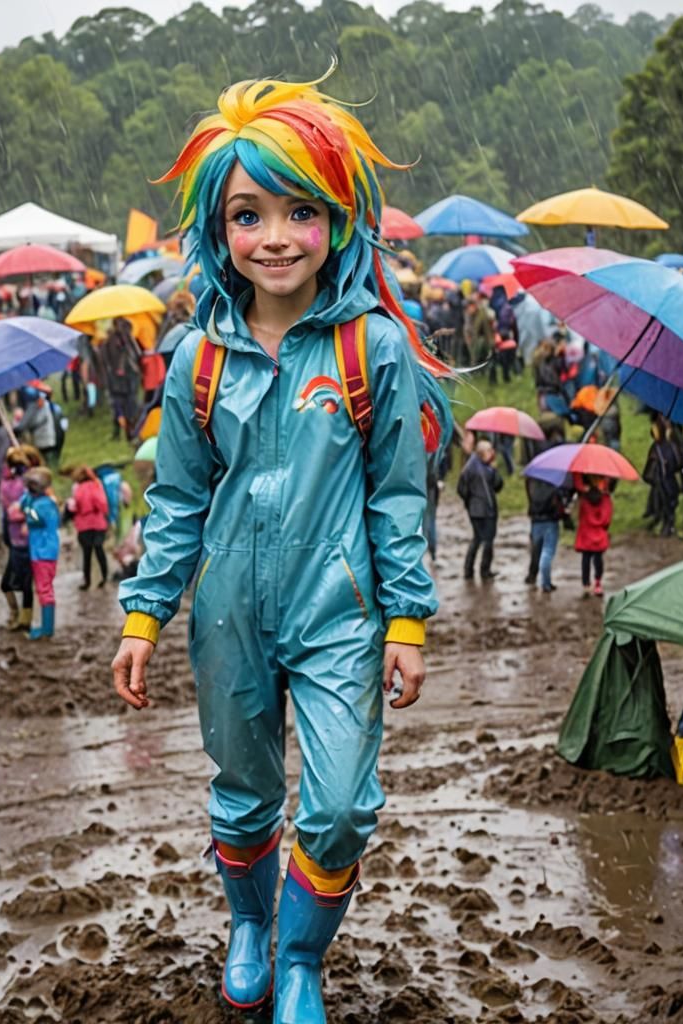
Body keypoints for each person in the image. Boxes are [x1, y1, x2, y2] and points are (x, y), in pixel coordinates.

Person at [110, 71, 446, 1024]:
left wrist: (407, 622)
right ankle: (252, 925)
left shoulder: (373, 350)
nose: (276, 237)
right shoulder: (197, 358)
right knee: (245, 794)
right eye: (248, 215)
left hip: (340, 613)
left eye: (302, 210)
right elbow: (177, 500)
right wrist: (144, 614)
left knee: (339, 807)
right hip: (226, 613)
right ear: (219, 231)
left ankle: (301, 957)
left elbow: (398, 498)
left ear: (338, 220)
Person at [0, 446, 38, 632]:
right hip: (16, 540)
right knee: (9, 583)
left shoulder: (28, 483)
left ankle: (24, 619)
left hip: (27, 541)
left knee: (25, 584)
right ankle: (17, 614)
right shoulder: (15, 482)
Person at [20, 466, 60, 640]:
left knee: (44, 590)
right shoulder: (46, 502)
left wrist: (26, 508)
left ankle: (47, 629)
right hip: (44, 551)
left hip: (43, 552)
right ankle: (45, 627)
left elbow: (29, 514)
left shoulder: (42, 506)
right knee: (44, 589)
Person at [457, 439, 503, 581]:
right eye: (489, 450)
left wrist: (469, 502)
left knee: (477, 539)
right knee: (487, 540)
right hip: (486, 510)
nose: (492, 453)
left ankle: (468, 570)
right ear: (482, 452)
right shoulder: (485, 469)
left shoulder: (469, 466)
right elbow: (498, 485)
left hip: (475, 510)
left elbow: (461, 489)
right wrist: (494, 469)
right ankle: (484, 570)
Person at [67, 466, 110, 590]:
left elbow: (75, 507)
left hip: (83, 525)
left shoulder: (78, 489)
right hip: (98, 523)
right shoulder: (96, 485)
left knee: (87, 554)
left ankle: (87, 581)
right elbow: (103, 504)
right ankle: (104, 578)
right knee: (99, 550)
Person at [525, 474, 567, 593]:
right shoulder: (555, 482)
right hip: (550, 520)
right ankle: (546, 583)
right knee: (547, 552)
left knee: (536, 549)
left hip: (536, 520)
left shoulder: (531, 481)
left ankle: (533, 575)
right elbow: (560, 501)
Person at [642, 419, 683, 536]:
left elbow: (678, 462)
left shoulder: (663, 447)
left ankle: (667, 525)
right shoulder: (663, 447)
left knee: (668, 505)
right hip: (663, 481)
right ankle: (664, 524)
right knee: (664, 504)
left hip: (666, 481)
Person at [575, 474, 612, 597]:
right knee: (598, 559)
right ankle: (598, 583)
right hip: (599, 534)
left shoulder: (584, 499)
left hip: (586, 534)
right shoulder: (605, 499)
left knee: (585, 559)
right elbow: (607, 520)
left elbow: (580, 516)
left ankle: (586, 584)